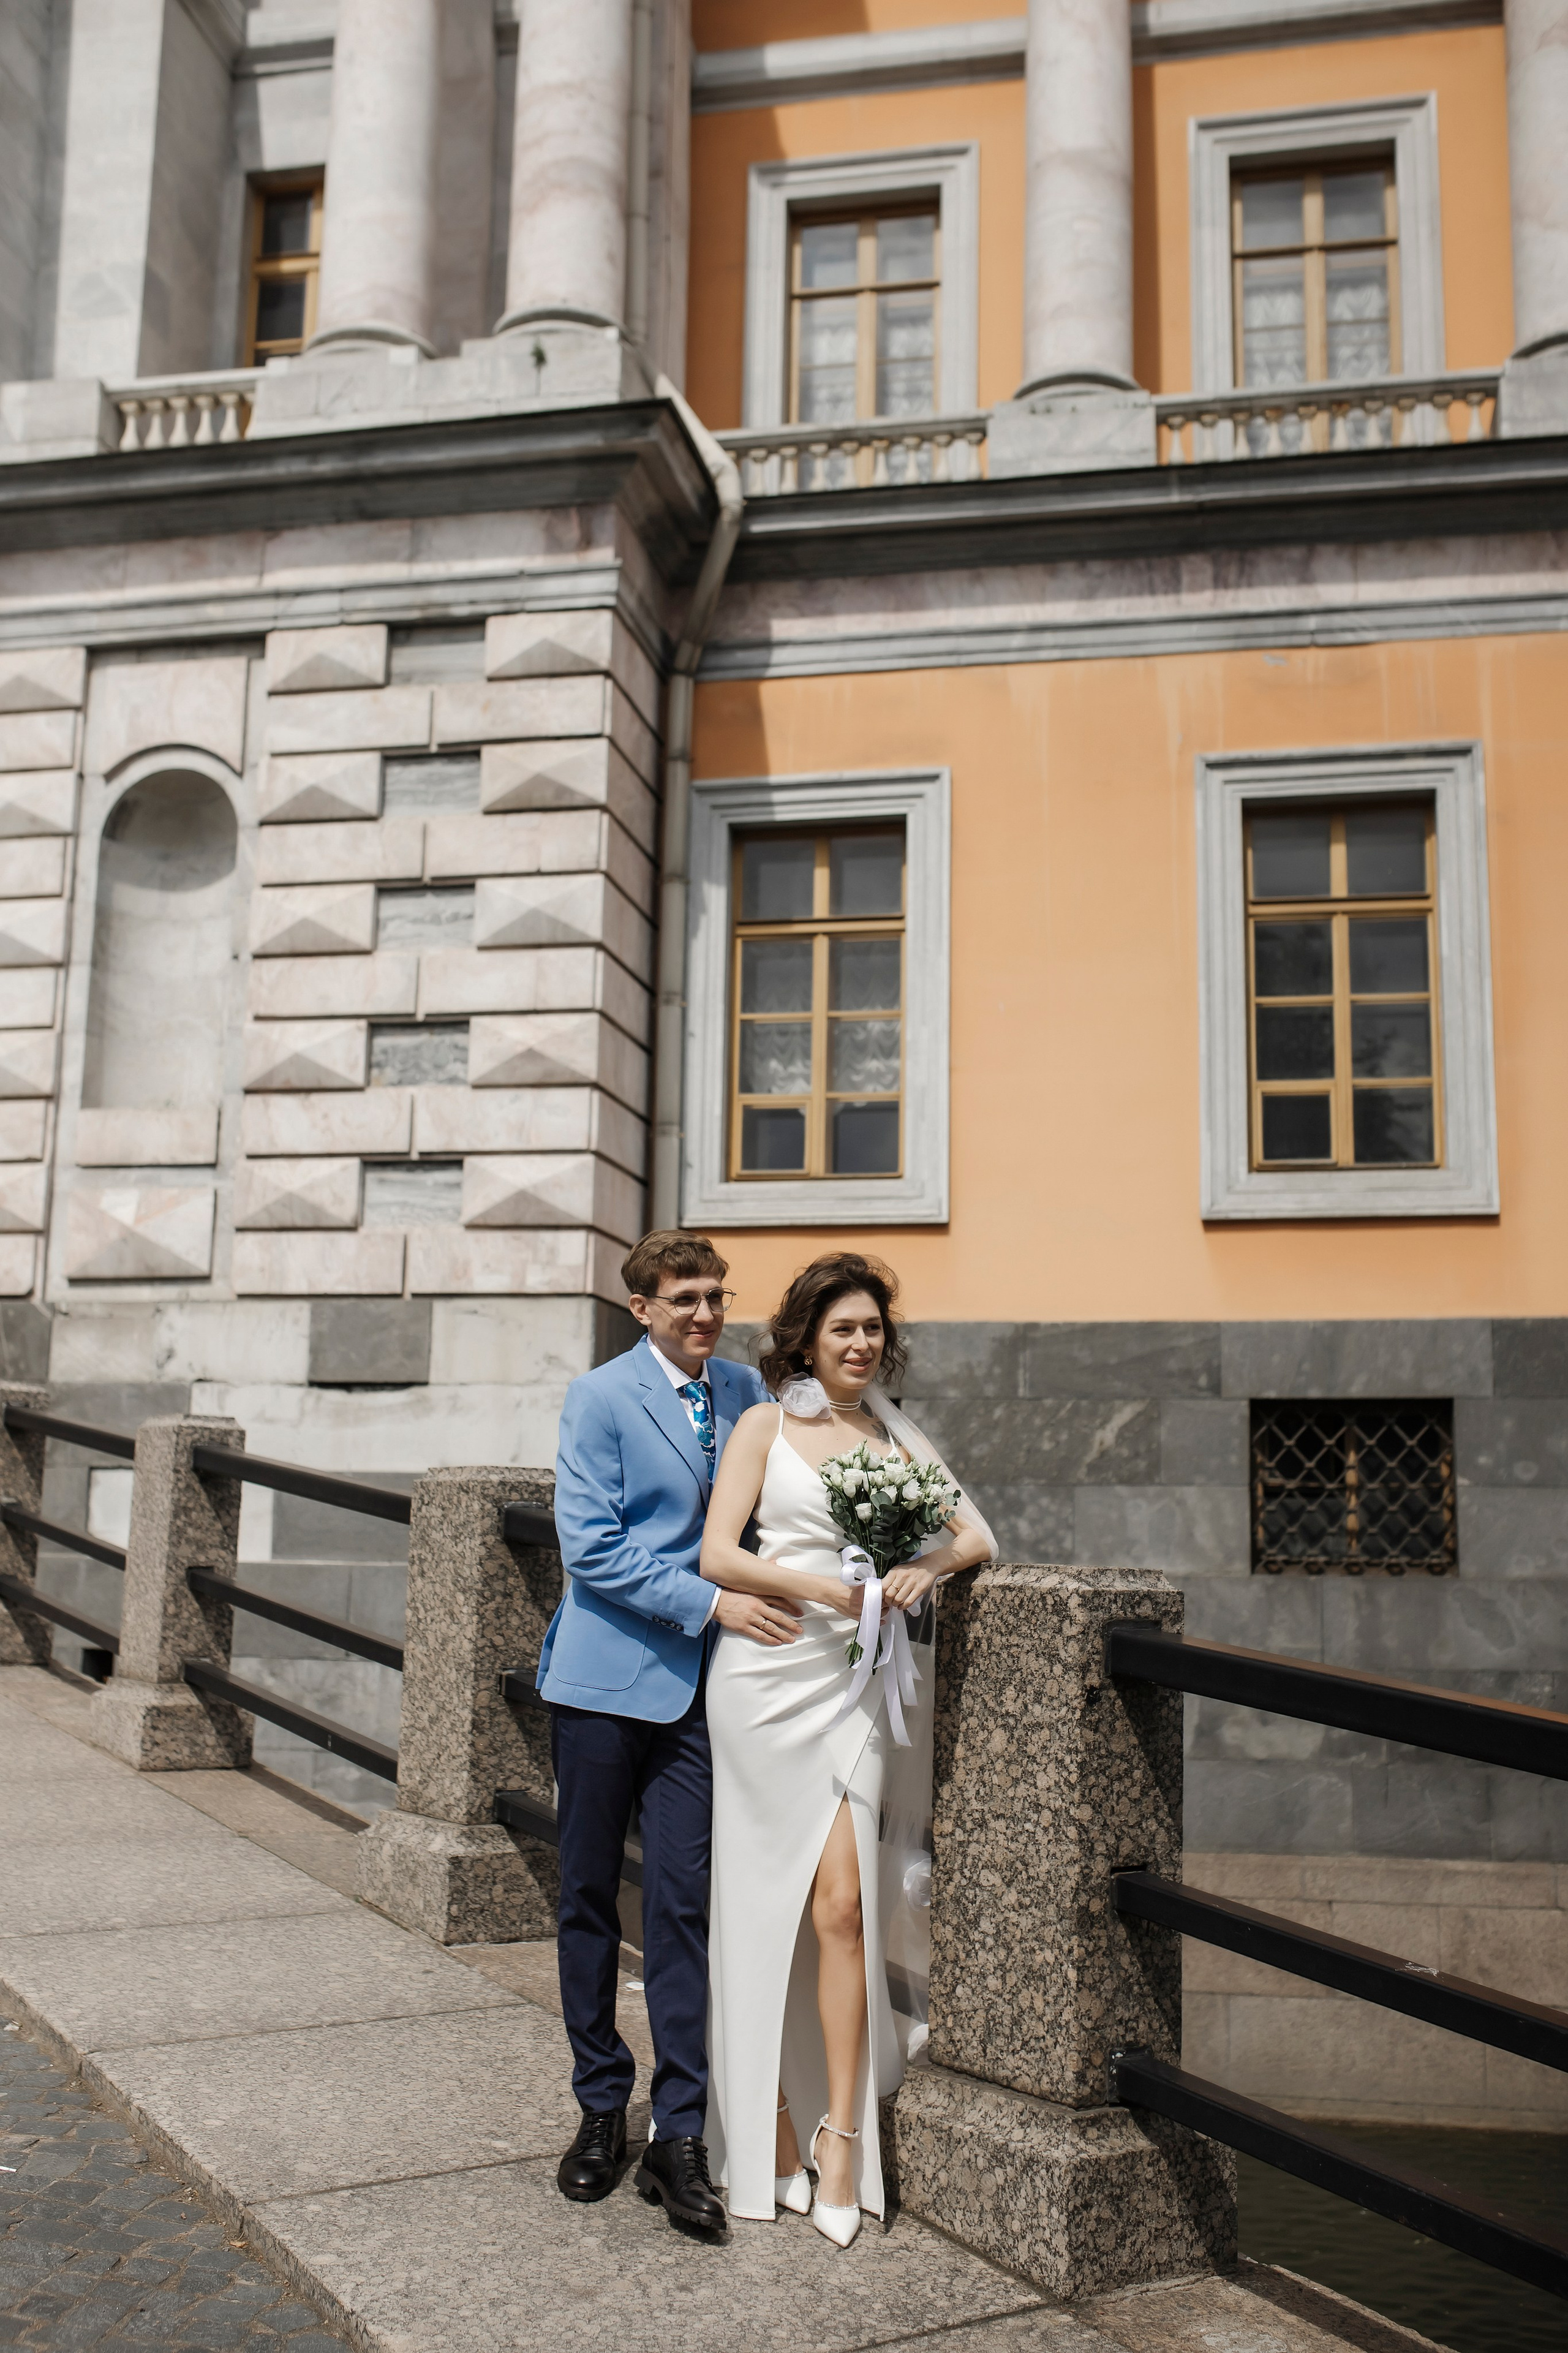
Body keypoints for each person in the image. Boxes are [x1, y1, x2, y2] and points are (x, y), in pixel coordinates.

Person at [698, 1252, 997, 2246]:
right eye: (843, 1330)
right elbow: (717, 1553)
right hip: (764, 1681)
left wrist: (916, 1567)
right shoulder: (764, 1425)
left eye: (872, 1328)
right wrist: (829, 1591)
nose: (861, 1343)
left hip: (854, 1692)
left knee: (841, 1904)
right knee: (764, 1911)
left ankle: (841, 2139)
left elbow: (978, 1538)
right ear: (807, 1341)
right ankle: (768, 2127)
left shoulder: (893, 1436)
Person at [540, 1230, 789, 2231]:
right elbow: (591, 1546)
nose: (705, 1313)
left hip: (700, 1699)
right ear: (640, 1306)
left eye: (717, 1297)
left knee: (684, 1906)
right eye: (685, 1297)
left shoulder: (745, 1393)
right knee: (589, 1897)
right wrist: (710, 1603)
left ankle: (678, 2132)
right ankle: (602, 2106)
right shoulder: (599, 1398)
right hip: (604, 1684)